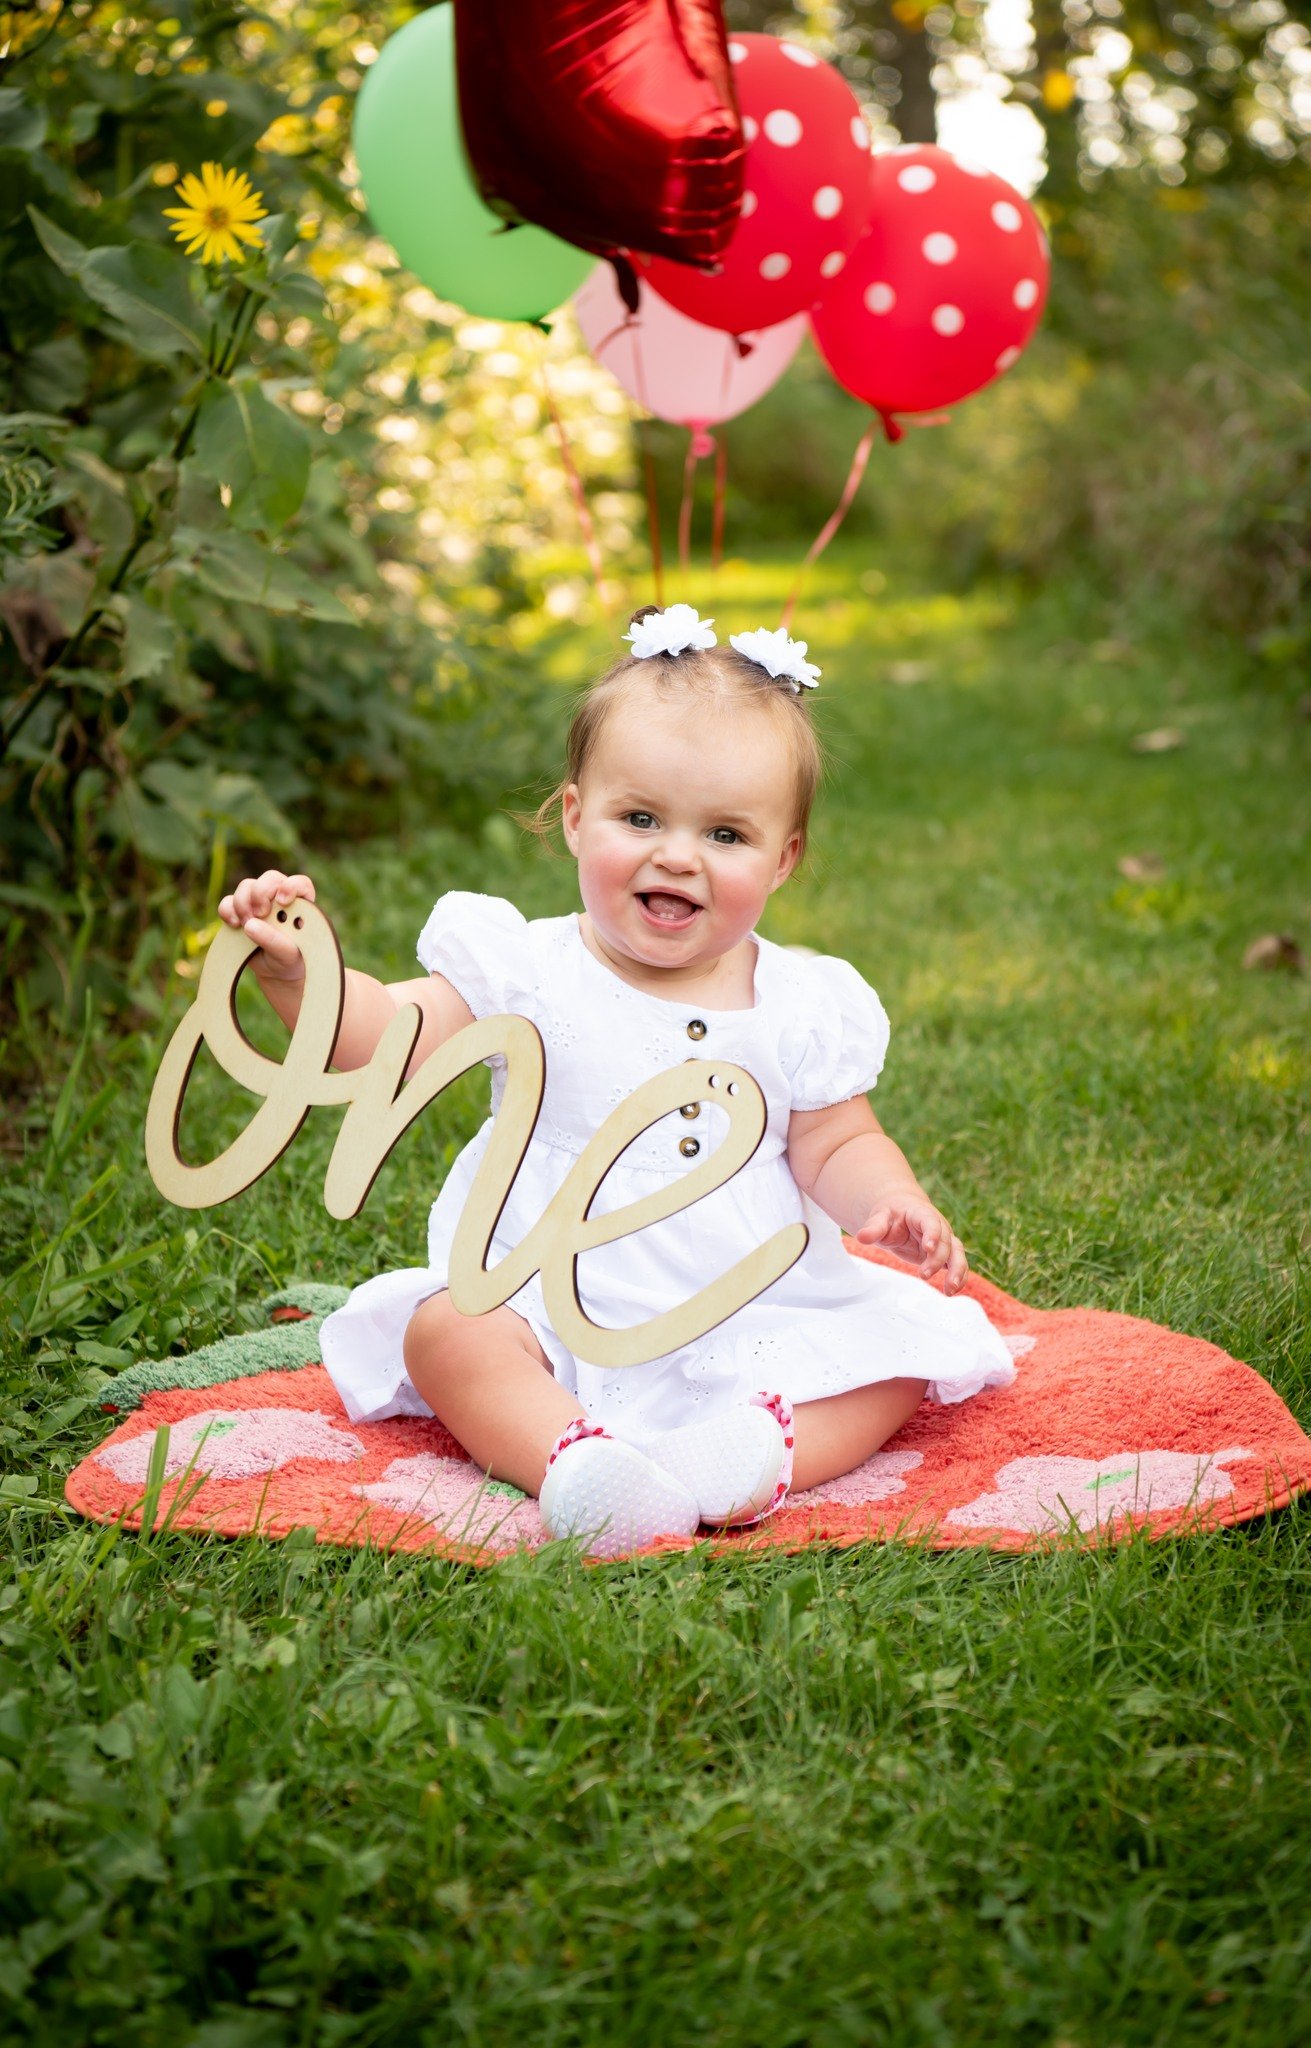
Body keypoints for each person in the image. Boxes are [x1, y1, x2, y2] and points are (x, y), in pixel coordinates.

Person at [217, 603, 1015, 1556]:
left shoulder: (799, 1000)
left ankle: (755, 1455)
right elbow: (385, 1042)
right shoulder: (526, 968)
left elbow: (836, 1138)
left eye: (725, 834)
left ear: (783, 859)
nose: (675, 853)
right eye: (639, 818)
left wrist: (891, 1200)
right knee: (443, 1332)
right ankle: (576, 1463)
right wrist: (297, 976)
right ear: (573, 816)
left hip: (745, 1299)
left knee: (901, 1352)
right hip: (539, 1292)